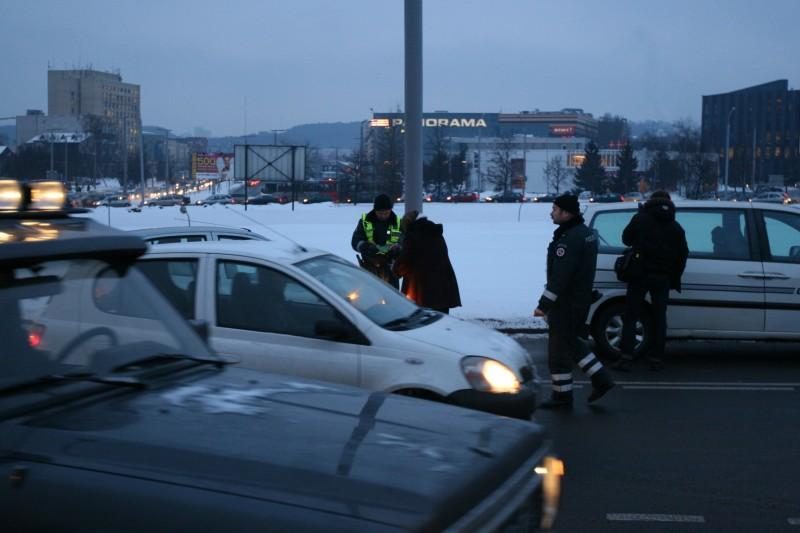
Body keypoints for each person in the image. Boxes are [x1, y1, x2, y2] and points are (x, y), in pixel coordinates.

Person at [534, 193, 615, 408]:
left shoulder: (569, 240)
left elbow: (561, 277)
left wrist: (544, 305)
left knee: (558, 352)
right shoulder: (585, 234)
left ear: (566, 213)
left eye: (555, 209)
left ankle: (562, 397)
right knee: (572, 343)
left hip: (566, 303)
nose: (551, 212)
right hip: (579, 300)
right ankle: (601, 379)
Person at [613, 190, 689, 372]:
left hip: (639, 275)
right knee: (659, 318)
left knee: (631, 316)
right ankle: (656, 358)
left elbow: (626, 239)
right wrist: (674, 276)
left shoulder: (641, 220)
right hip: (663, 277)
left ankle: (626, 357)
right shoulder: (676, 227)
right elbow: (683, 254)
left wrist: (639, 219)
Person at [393, 210, 461, 313]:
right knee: (441, 320)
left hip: (423, 290)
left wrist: (395, 270)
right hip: (443, 286)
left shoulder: (413, 235)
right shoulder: (434, 231)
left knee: (424, 321)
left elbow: (405, 261)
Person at [351, 193, 403, 288]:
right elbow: (355, 241)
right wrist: (365, 246)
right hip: (369, 268)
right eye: (380, 213)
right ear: (375, 210)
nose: (383, 216)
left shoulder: (398, 223)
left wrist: (398, 249)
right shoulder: (365, 222)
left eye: (386, 213)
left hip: (391, 270)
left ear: (391, 210)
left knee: (392, 299)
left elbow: (405, 242)